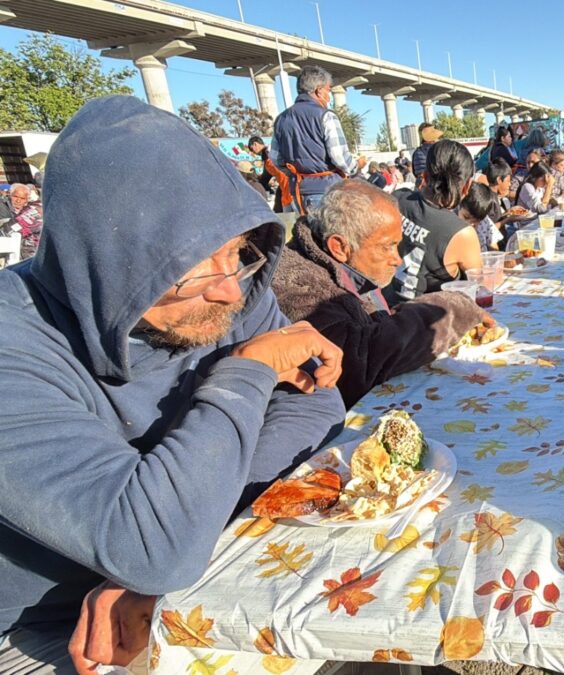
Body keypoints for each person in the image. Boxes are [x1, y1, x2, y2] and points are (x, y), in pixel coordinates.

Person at [0, 96, 346, 673]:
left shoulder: (228, 293)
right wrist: (250, 370)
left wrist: (187, 523)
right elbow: (154, 545)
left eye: (236, 253)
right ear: (108, 263)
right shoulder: (16, 348)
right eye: (190, 269)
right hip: (47, 627)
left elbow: (316, 406)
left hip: (170, 571)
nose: (230, 292)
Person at [272, 179, 490, 408]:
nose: (397, 259)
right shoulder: (299, 285)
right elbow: (365, 360)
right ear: (339, 247)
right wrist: (454, 309)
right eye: (387, 246)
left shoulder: (340, 264)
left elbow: (378, 325)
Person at [387, 139, 483, 304]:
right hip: (424, 320)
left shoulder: (396, 198)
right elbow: (479, 285)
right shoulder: (461, 233)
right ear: (467, 187)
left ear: (424, 175)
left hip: (384, 307)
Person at [271, 65, 359, 215]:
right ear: (319, 90)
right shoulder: (326, 116)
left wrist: (298, 174)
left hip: (297, 193)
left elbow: (276, 159)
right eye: (328, 90)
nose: (329, 97)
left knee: (303, 235)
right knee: (331, 236)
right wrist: (355, 167)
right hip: (326, 193)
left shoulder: (281, 119)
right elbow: (340, 158)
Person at [6, 183, 43, 259]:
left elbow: (10, 230)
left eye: (22, 198)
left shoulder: (34, 209)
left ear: (27, 199)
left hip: (30, 256)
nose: (18, 200)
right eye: (15, 196)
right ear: (10, 195)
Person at [459, 183, 500, 251]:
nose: (470, 224)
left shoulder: (485, 221)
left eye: (476, 221)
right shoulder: (451, 220)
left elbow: (494, 247)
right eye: (466, 217)